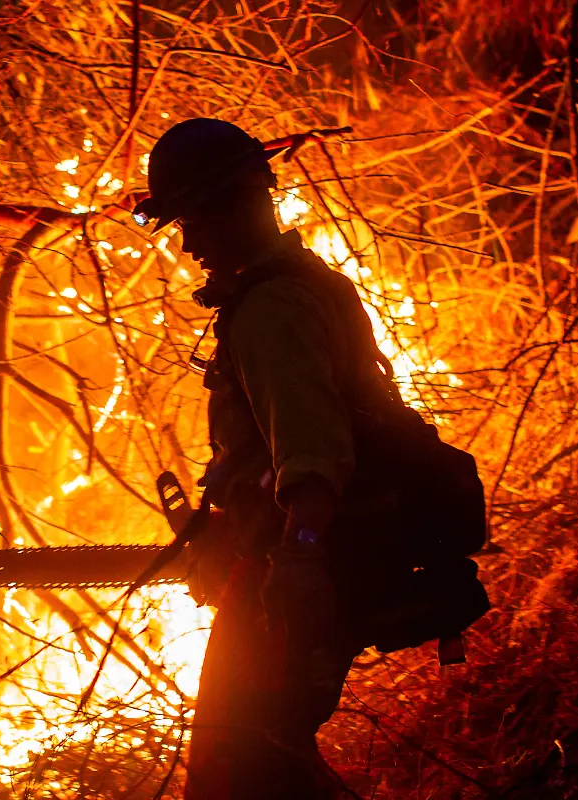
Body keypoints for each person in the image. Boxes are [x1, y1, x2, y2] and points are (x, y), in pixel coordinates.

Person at [133, 118, 410, 799]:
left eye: (190, 219)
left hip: (297, 578)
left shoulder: (270, 312)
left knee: (240, 773)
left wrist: (297, 556)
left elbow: (313, 454)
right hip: (307, 564)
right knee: (271, 769)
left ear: (232, 203)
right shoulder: (307, 282)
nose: (187, 241)